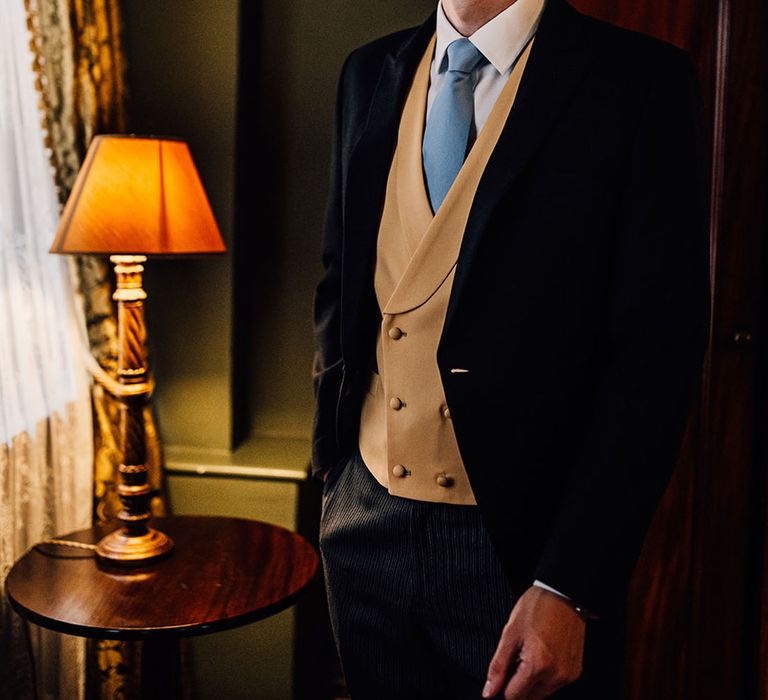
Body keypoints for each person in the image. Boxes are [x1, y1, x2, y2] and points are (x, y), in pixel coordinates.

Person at [311, 0, 709, 697]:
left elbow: (653, 359)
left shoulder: (637, 81)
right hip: (361, 522)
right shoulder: (366, 71)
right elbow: (339, 283)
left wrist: (569, 583)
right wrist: (332, 473)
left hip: (519, 549)